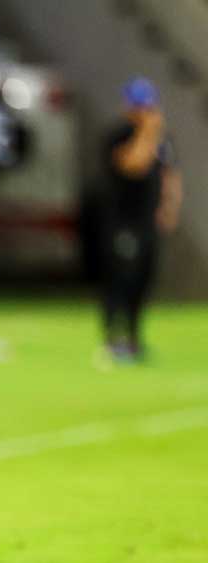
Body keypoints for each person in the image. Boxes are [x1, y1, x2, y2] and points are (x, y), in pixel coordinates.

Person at [99, 76, 182, 363]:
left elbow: (170, 174)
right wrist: (147, 133)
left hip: (148, 221)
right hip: (123, 221)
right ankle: (112, 337)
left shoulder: (162, 140)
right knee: (122, 277)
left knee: (145, 279)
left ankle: (134, 338)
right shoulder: (119, 135)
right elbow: (133, 165)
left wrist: (169, 207)